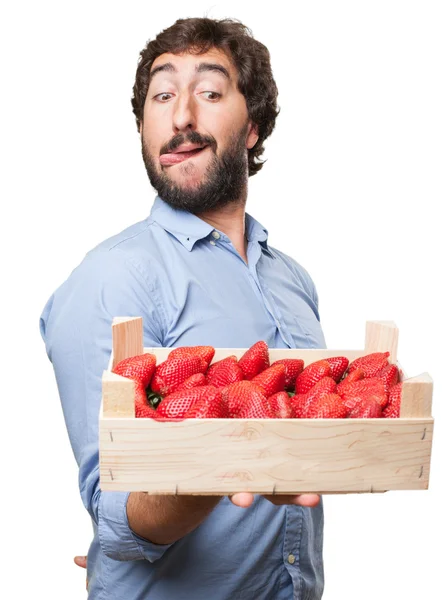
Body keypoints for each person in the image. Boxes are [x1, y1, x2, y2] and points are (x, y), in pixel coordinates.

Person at [39, 16, 327, 599]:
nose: (181, 118)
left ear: (252, 126)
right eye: (162, 95)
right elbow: (117, 513)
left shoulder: (292, 279)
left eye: (210, 92)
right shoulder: (112, 279)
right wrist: (212, 472)